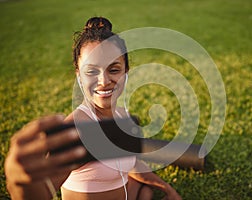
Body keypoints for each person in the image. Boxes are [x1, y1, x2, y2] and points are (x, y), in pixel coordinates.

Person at [4, 16, 182, 200]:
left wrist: (168, 188)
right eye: (91, 71)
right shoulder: (78, 129)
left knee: (145, 192)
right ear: (79, 75)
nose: (104, 81)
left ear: (126, 71)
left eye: (114, 70)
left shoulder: (122, 115)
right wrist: (20, 184)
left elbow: (131, 164)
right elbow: (42, 190)